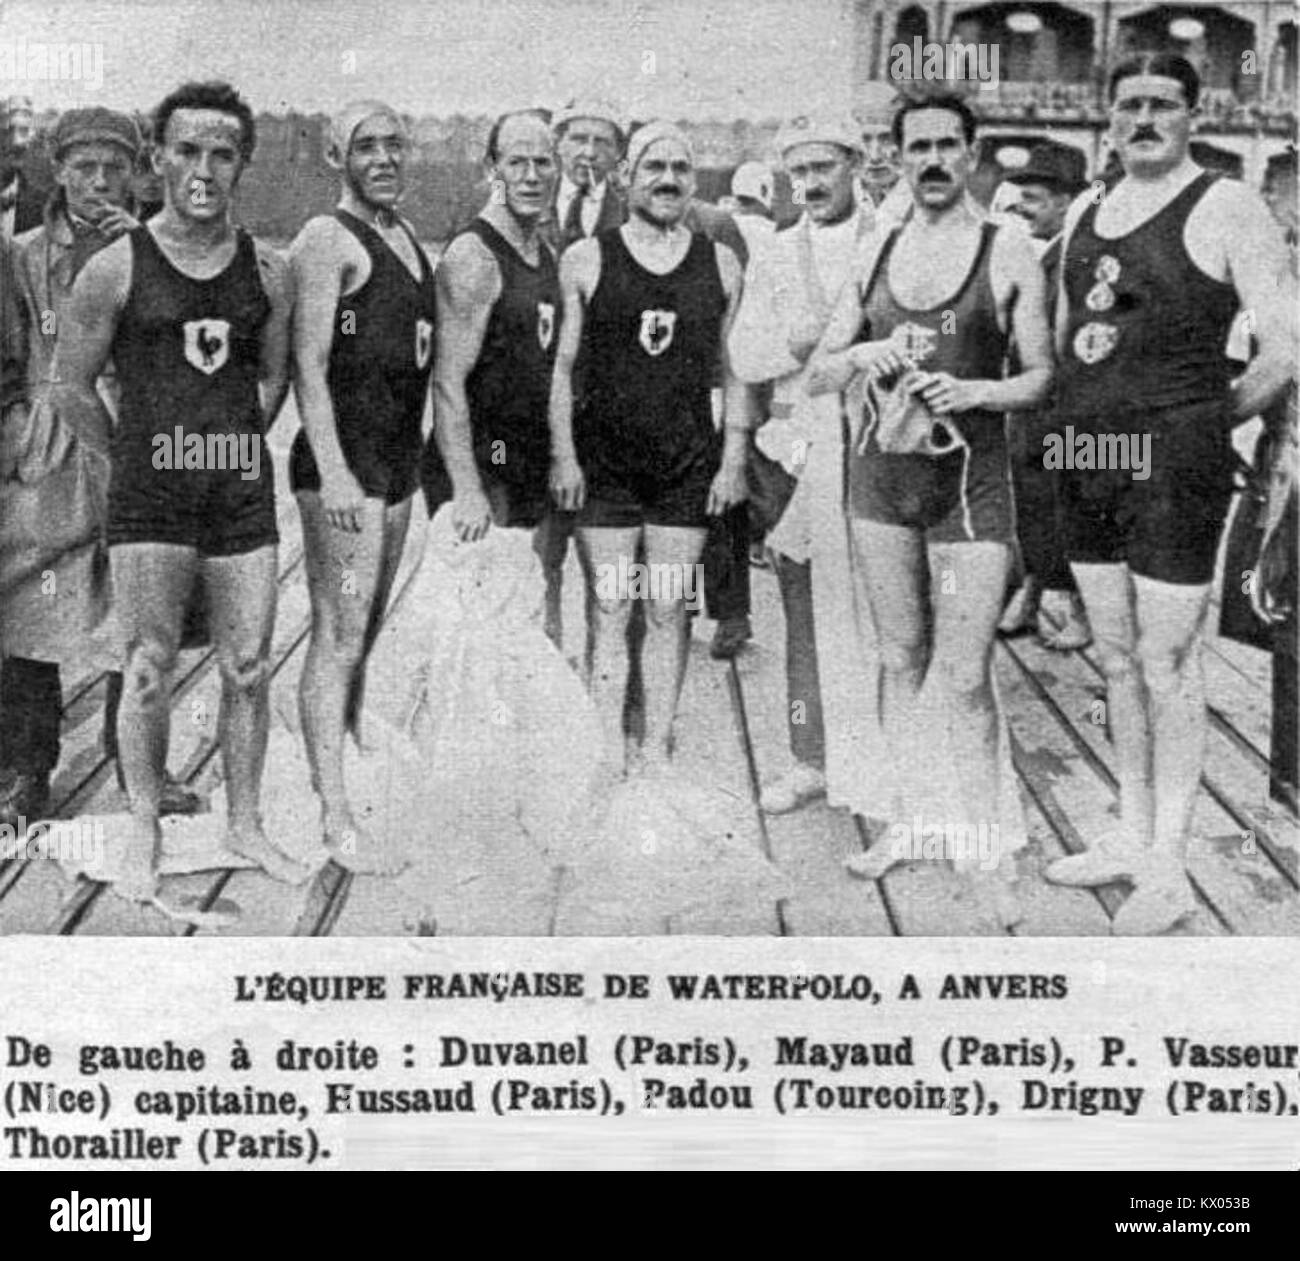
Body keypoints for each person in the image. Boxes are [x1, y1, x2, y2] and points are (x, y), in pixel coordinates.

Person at [1043, 54, 1295, 933]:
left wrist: (1205, 422)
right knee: (1113, 658)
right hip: (1088, 450)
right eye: (1127, 106)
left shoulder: (1226, 204)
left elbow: (1286, 345)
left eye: (1162, 105)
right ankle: (1129, 830)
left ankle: (1172, 865)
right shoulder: (1084, 209)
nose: (1143, 119)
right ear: (1106, 119)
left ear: (1195, 114)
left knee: (1168, 663)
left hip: (1172, 465)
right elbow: (1075, 333)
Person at [49, 80, 302, 900]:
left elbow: (271, 380)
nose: (204, 169)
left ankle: (247, 822)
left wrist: (224, 445)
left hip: (236, 491)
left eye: (222, 153)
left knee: (250, 665)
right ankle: (146, 830)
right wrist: (131, 456)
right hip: (149, 495)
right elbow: (71, 385)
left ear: (242, 164)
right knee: (150, 667)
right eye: (187, 151)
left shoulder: (270, 267)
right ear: (157, 159)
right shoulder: (116, 265)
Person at [809, 91, 1053, 922]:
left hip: (969, 485)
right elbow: (819, 369)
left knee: (962, 669)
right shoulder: (876, 246)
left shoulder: (1006, 244)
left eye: (950, 145)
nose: (935, 161)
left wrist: (976, 387)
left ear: (974, 151)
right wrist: (864, 351)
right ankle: (912, 818)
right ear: (898, 156)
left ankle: (982, 842)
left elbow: (1043, 376)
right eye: (919, 148)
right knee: (899, 655)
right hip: (881, 478)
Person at [1, 107, 205, 829]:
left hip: (135, 433)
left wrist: (149, 265)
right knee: (29, 607)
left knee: (142, 599)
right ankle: (25, 770)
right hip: (48, 447)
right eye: (83, 168)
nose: (98, 183)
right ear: (56, 172)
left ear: (137, 173)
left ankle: (138, 762)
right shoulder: (21, 256)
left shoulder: (161, 245)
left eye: (114, 168)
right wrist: (18, 441)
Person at [549, 121, 750, 773]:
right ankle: (609, 743)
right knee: (611, 607)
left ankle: (658, 745)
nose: (667, 179)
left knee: (667, 609)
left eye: (680, 168)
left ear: (695, 181)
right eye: (653, 167)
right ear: (627, 176)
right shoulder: (586, 257)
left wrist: (734, 460)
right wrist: (565, 456)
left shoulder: (719, 263)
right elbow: (562, 368)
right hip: (606, 468)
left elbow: (736, 367)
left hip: (683, 468)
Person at [289, 100, 435, 872]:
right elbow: (310, 363)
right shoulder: (325, 238)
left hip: (396, 463)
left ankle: (340, 737)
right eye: (365, 146)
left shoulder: (404, 236)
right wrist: (337, 469)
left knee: (367, 622)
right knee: (337, 632)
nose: (383, 158)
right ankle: (333, 814)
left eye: (393, 145)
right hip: (343, 472)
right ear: (335, 155)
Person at [729, 115, 878, 815]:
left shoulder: (890, 238)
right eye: (801, 171)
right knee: (800, 611)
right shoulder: (778, 251)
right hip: (796, 451)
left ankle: (881, 759)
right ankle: (807, 756)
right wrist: (803, 342)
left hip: (879, 447)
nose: (813, 183)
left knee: (889, 610)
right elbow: (746, 357)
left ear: (856, 162)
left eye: (826, 167)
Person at [423, 108, 560, 537]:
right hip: (483, 466)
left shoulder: (546, 254)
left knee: (529, 597)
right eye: (517, 162)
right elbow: (447, 382)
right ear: (491, 169)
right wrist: (467, 488)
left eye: (542, 163)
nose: (531, 176)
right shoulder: (474, 256)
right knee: (479, 600)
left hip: (528, 463)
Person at [997, 140, 1092, 650]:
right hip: (1034, 407)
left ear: (1064, 201)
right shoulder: (1049, 252)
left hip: (1069, 408)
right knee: (1032, 502)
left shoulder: (1081, 254)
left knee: (1073, 505)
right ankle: (1033, 591)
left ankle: (1080, 608)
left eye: (1032, 198)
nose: (1022, 208)